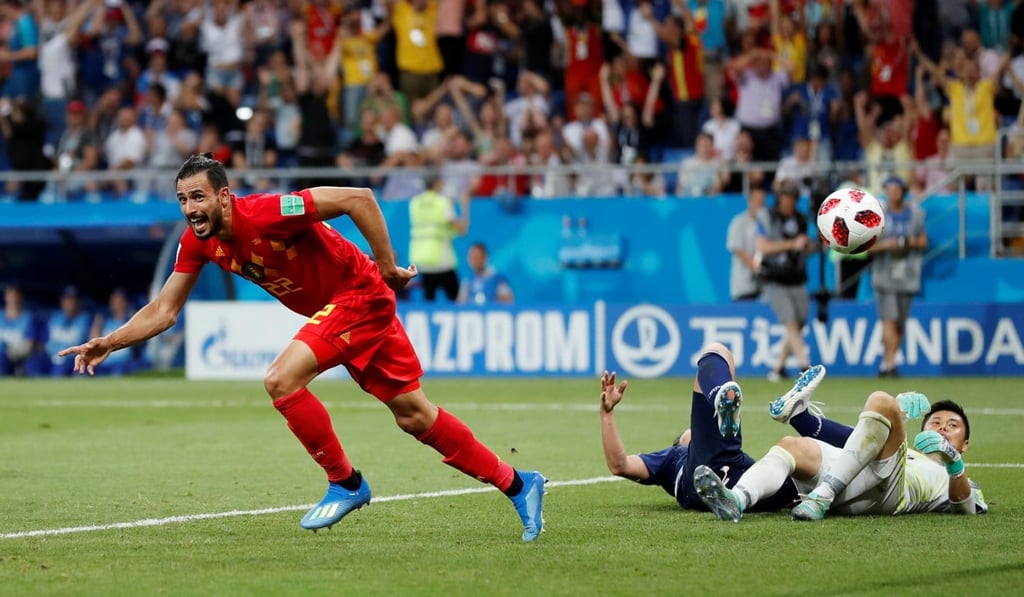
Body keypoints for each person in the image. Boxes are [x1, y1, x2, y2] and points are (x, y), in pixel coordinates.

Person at [58, 154, 546, 541]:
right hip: (347, 309)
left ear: (224, 196)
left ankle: (347, 483)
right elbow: (164, 310)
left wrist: (389, 266)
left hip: (360, 294)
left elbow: (360, 198)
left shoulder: (267, 211)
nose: (190, 208)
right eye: (183, 199)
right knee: (414, 416)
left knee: (280, 378)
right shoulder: (198, 242)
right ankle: (520, 484)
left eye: (199, 197)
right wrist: (111, 341)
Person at [694, 375, 988, 521]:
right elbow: (853, 438)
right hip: (853, 487)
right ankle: (736, 500)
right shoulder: (904, 450)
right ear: (922, 430)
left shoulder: (955, 476)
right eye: (936, 422)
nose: (942, 428)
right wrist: (896, 416)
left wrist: (951, 462)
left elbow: (966, 509)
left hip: (892, 495)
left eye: (952, 426)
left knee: (881, 400)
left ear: (964, 445)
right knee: (792, 447)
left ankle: (823, 492)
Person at [599, 342, 800, 513]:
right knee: (717, 350)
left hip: (743, 489)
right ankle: (719, 402)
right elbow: (620, 465)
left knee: (801, 469)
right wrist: (607, 415)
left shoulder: (682, 459)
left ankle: (821, 489)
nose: (693, 430)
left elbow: (619, 466)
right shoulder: (673, 457)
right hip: (704, 473)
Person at [868, 177, 927, 378]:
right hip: (885, 273)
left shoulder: (916, 215)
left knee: (900, 322)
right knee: (889, 319)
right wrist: (888, 245)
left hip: (908, 274)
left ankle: (887, 362)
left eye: (896, 189)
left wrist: (908, 242)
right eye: (889, 190)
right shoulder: (878, 217)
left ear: (903, 191)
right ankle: (891, 363)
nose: (893, 193)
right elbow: (869, 247)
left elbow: (923, 241)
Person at [757, 180, 814, 381]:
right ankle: (805, 366)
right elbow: (763, 247)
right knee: (790, 321)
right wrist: (792, 244)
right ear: (780, 197)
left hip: (797, 277)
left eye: (792, 197)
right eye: (785, 196)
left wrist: (810, 246)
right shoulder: (768, 217)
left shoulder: (801, 219)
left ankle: (778, 367)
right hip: (775, 277)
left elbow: (804, 249)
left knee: (798, 324)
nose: (789, 201)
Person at [408, 173, 468, 301]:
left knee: (429, 304)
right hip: (442, 260)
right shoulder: (443, 203)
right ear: (436, 183)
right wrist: (465, 206)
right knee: (456, 301)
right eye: (441, 181)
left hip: (423, 259)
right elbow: (462, 230)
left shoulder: (415, 203)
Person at [726, 187, 766, 301]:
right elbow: (738, 250)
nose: (760, 205)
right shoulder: (738, 222)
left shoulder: (766, 223)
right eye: (758, 201)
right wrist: (756, 267)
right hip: (743, 284)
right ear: (750, 201)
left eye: (762, 202)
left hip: (764, 287)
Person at [43, 285, 91, 377]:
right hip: (51, 358)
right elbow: (43, 343)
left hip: (72, 359)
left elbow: (91, 341)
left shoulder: (85, 319)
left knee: (63, 368)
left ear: (78, 302)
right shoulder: (54, 318)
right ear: (62, 301)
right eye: (67, 299)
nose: (70, 303)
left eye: (73, 300)